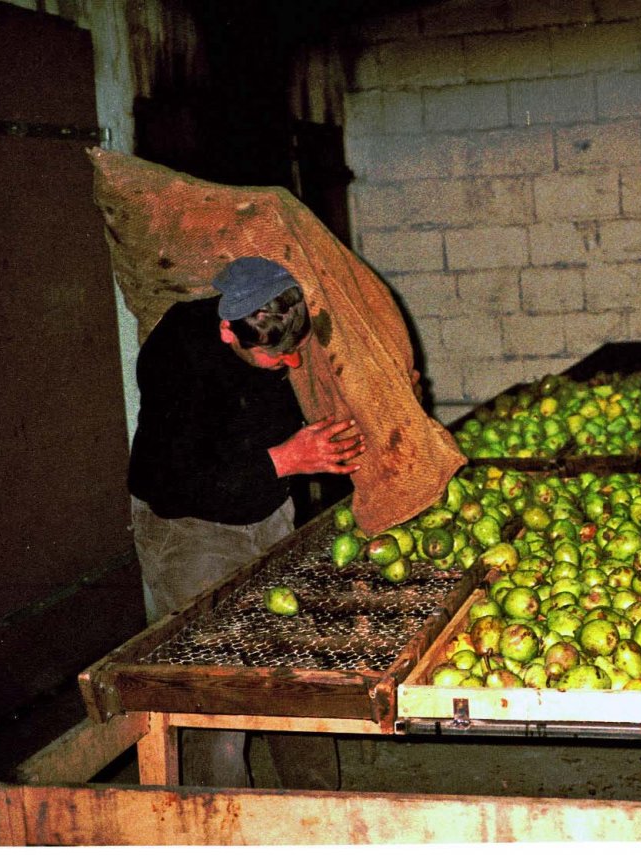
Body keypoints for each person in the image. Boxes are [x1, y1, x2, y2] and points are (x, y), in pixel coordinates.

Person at [128, 255, 365, 787]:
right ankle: (224, 825)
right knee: (227, 687)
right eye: (275, 357)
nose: (292, 365)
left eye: (294, 350)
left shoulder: (279, 332)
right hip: (191, 529)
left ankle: (316, 812)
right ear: (227, 333)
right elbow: (166, 482)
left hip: (266, 512)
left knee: (295, 670)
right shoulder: (178, 360)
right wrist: (285, 461)